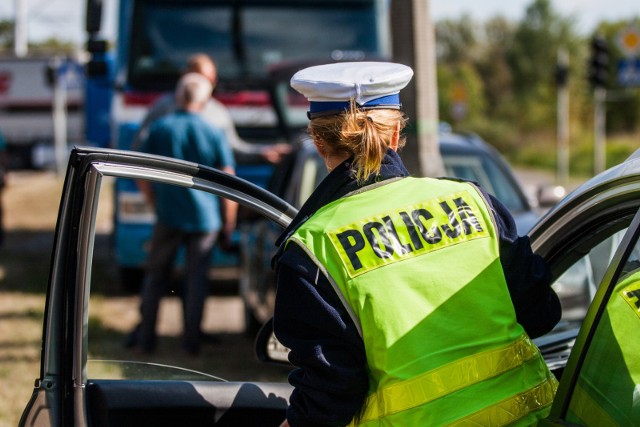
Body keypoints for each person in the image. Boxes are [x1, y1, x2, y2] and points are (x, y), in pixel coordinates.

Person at [272, 62, 562, 426]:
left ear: (318, 140)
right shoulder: (473, 201)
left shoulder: (311, 249)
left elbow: (330, 391)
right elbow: (543, 313)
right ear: (394, 134)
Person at [133, 72, 237, 355]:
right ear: (205, 100)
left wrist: (154, 201)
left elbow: (140, 173)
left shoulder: (159, 128)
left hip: (167, 215)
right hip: (205, 219)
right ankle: (191, 343)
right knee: (196, 279)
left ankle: (147, 340)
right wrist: (229, 222)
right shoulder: (213, 131)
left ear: (178, 96)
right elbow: (229, 178)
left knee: (155, 276)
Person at [133, 53, 291, 164]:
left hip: (206, 192)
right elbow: (141, 151)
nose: (206, 84)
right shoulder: (162, 109)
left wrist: (262, 153)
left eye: (211, 80)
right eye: (201, 77)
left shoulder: (218, 113)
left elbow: (232, 151)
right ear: (185, 75)